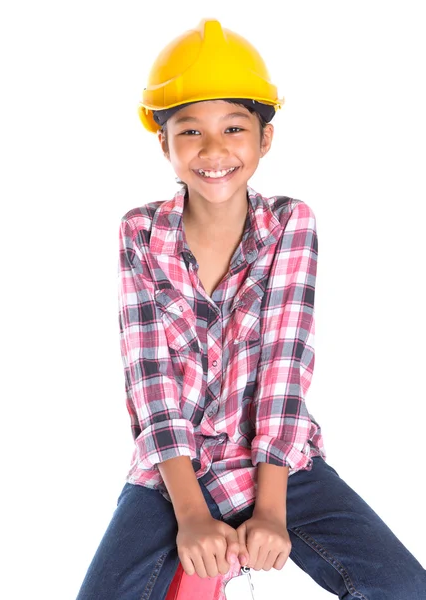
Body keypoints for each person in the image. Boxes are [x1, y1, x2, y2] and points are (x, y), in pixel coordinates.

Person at [75, 18, 425, 600]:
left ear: (265, 138)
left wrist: (270, 512)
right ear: (163, 142)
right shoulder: (139, 232)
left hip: (278, 464)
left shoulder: (291, 224)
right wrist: (190, 516)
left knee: (404, 588)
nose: (213, 150)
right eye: (190, 132)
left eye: (234, 127)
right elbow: (150, 385)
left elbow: (283, 375)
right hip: (174, 474)